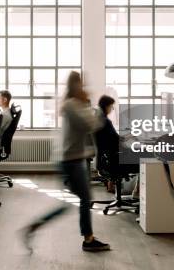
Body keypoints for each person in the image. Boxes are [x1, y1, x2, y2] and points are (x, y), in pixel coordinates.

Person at [21, 72, 110, 253]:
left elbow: (86, 127)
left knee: (73, 202)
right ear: (75, 85)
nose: (84, 86)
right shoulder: (71, 105)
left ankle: (35, 228)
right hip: (70, 161)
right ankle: (87, 239)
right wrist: (100, 110)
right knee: (83, 199)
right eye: (81, 83)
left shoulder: (75, 104)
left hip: (73, 159)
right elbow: (91, 125)